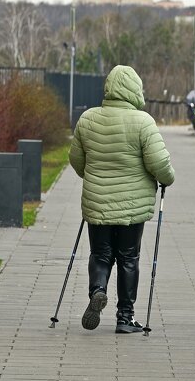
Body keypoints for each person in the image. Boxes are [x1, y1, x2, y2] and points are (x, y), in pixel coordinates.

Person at [69, 64, 175, 333]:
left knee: (101, 254)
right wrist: (167, 178)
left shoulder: (88, 119)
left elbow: (76, 159)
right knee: (129, 258)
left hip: (97, 201)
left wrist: (92, 176)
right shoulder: (143, 122)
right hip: (132, 205)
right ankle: (125, 318)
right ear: (134, 90)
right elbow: (159, 163)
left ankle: (98, 289)